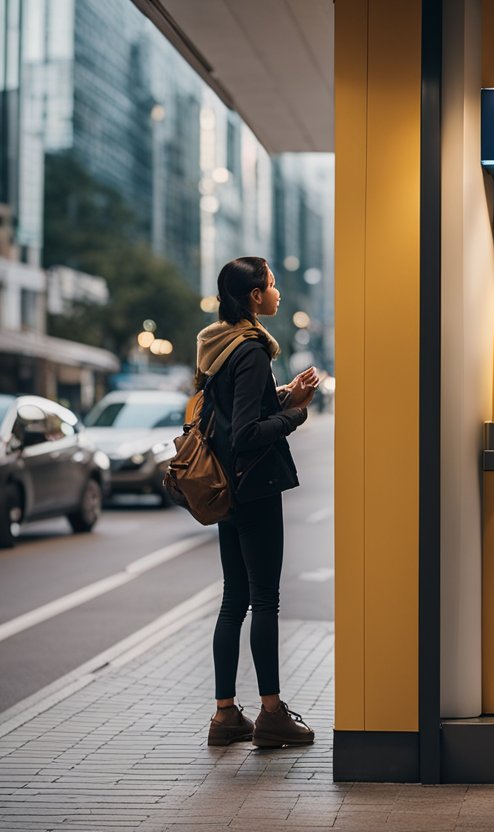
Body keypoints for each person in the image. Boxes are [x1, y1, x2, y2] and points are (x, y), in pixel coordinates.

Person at [196, 256, 320, 748]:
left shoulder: (217, 345)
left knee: (234, 599)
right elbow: (247, 434)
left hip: (229, 488)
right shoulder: (250, 350)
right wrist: (296, 416)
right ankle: (271, 713)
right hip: (255, 488)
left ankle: (225, 715)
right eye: (272, 286)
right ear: (254, 296)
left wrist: (285, 395)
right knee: (263, 598)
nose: (278, 294)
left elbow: (230, 417)